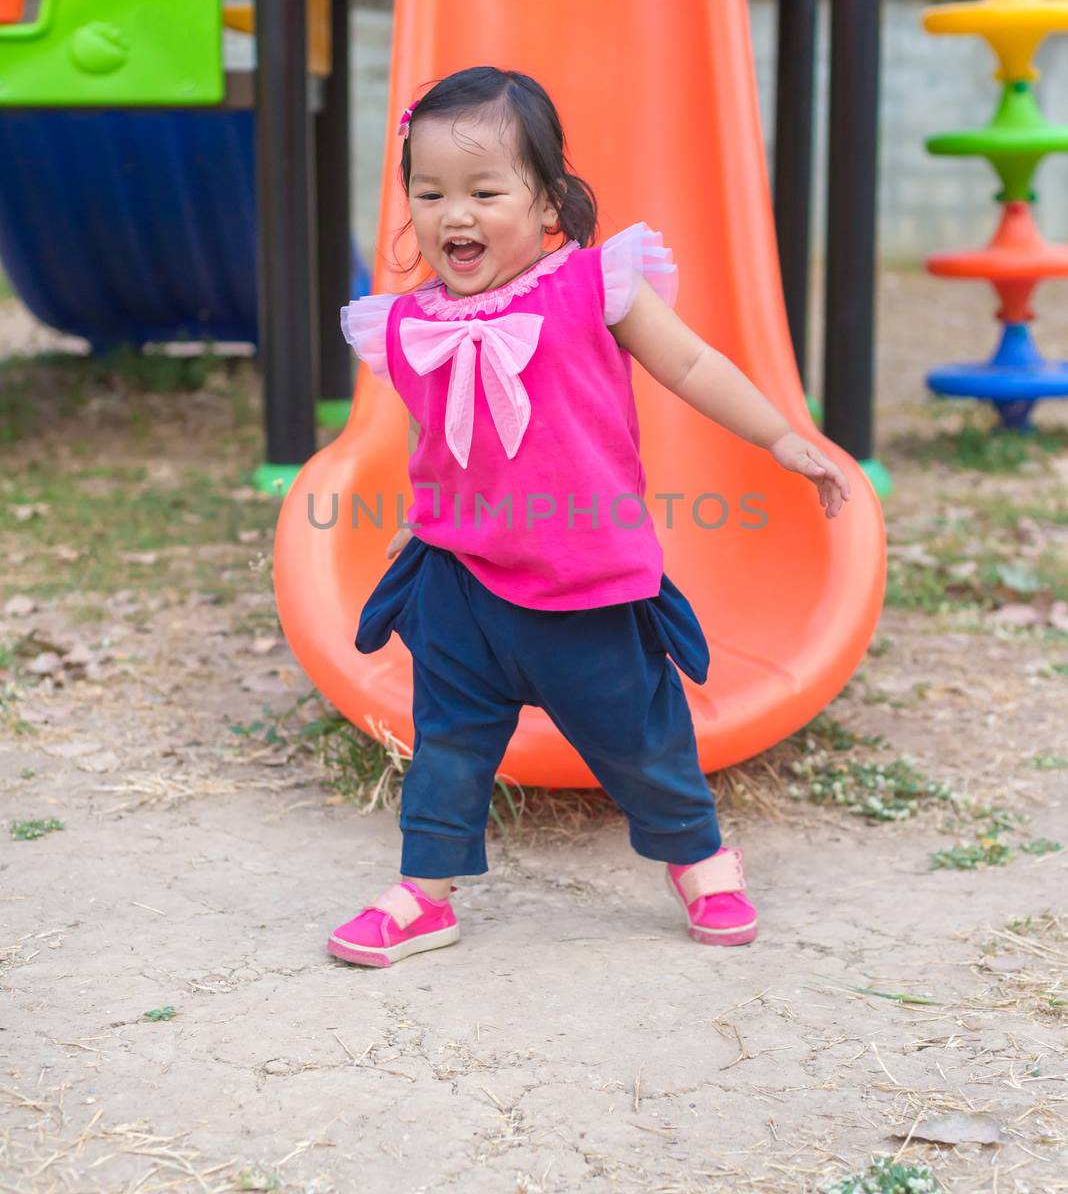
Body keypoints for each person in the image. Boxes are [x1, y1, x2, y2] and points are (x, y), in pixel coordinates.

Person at [328, 66, 851, 969]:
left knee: (641, 739)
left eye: (485, 191)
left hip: (587, 586)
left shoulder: (595, 287)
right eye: (430, 192)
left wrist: (782, 437)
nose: (455, 215)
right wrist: (422, 520)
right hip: (462, 585)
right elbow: (437, 440)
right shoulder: (406, 325)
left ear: (547, 203)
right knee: (447, 743)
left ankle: (700, 859)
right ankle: (426, 893)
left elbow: (691, 367)